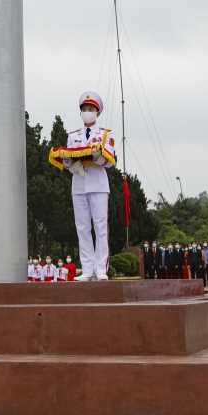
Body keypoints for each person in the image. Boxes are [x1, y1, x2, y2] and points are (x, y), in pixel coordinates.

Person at [60, 91, 117, 281]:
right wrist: (68, 162)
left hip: (98, 185)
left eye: (91, 109)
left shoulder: (105, 135)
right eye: (84, 109)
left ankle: (101, 269)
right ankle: (87, 269)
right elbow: (67, 162)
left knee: (100, 227)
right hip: (79, 184)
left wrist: (97, 157)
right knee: (82, 227)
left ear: (97, 112)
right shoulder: (73, 135)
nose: (87, 112)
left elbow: (110, 162)